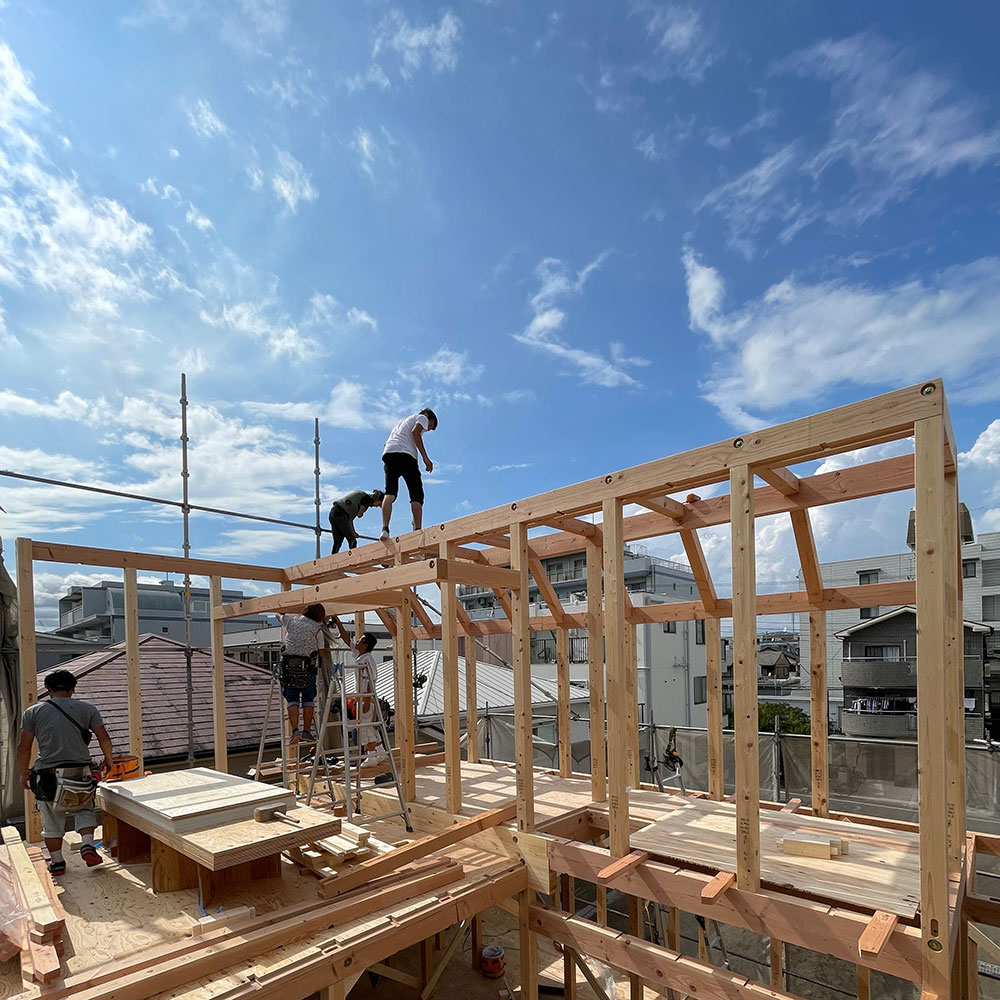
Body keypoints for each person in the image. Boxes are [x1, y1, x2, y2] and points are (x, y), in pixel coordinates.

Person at [17, 670, 113, 875]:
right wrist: (109, 760)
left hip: (48, 773)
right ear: (72, 689)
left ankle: (58, 862)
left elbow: (23, 747)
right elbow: (104, 738)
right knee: (84, 807)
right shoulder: (88, 709)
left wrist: (24, 773)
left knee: (50, 817)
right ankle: (87, 845)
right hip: (81, 770)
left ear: (48, 690)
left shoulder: (33, 712)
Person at [330, 617, 384, 766]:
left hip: (366, 698)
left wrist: (366, 700)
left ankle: (372, 756)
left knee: (366, 729)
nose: (357, 641)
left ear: (365, 645)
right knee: (370, 727)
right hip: (362, 697)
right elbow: (348, 641)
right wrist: (339, 623)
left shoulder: (367, 659)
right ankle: (379, 752)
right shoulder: (360, 655)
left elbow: (371, 680)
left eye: (360, 640)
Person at [380, 408, 437, 539]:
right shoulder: (422, 417)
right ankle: (417, 532)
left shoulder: (400, 423)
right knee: (416, 494)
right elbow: (415, 433)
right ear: (428, 416)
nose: (427, 429)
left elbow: (388, 442)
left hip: (389, 454)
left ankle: (385, 529)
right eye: (430, 425)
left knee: (390, 493)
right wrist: (425, 458)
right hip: (406, 456)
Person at [275, 603, 326, 744]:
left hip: (288, 667)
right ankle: (307, 732)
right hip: (307, 668)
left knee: (292, 700)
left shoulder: (291, 621)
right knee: (308, 700)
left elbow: (277, 615)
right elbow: (321, 652)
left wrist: (287, 609)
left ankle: (295, 731)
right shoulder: (318, 630)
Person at [328, 489, 385, 554]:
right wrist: (363, 511)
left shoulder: (361, 497)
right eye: (379, 504)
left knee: (338, 541)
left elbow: (349, 520)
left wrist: (353, 532)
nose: (377, 506)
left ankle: (333, 558)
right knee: (352, 540)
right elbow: (359, 514)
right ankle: (353, 559)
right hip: (341, 514)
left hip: (334, 513)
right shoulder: (367, 499)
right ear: (377, 499)